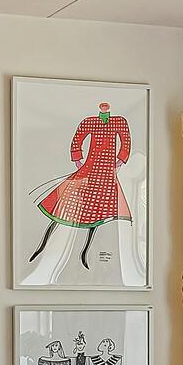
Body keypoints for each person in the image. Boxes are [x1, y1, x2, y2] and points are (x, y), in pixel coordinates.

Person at [26, 102, 134, 271]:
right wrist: (77, 159)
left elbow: (125, 141)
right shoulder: (89, 121)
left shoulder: (119, 121)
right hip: (90, 167)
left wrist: (119, 161)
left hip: (107, 172)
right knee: (65, 202)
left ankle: (84, 254)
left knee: (98, 210)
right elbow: (78, 138)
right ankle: (43, 246)